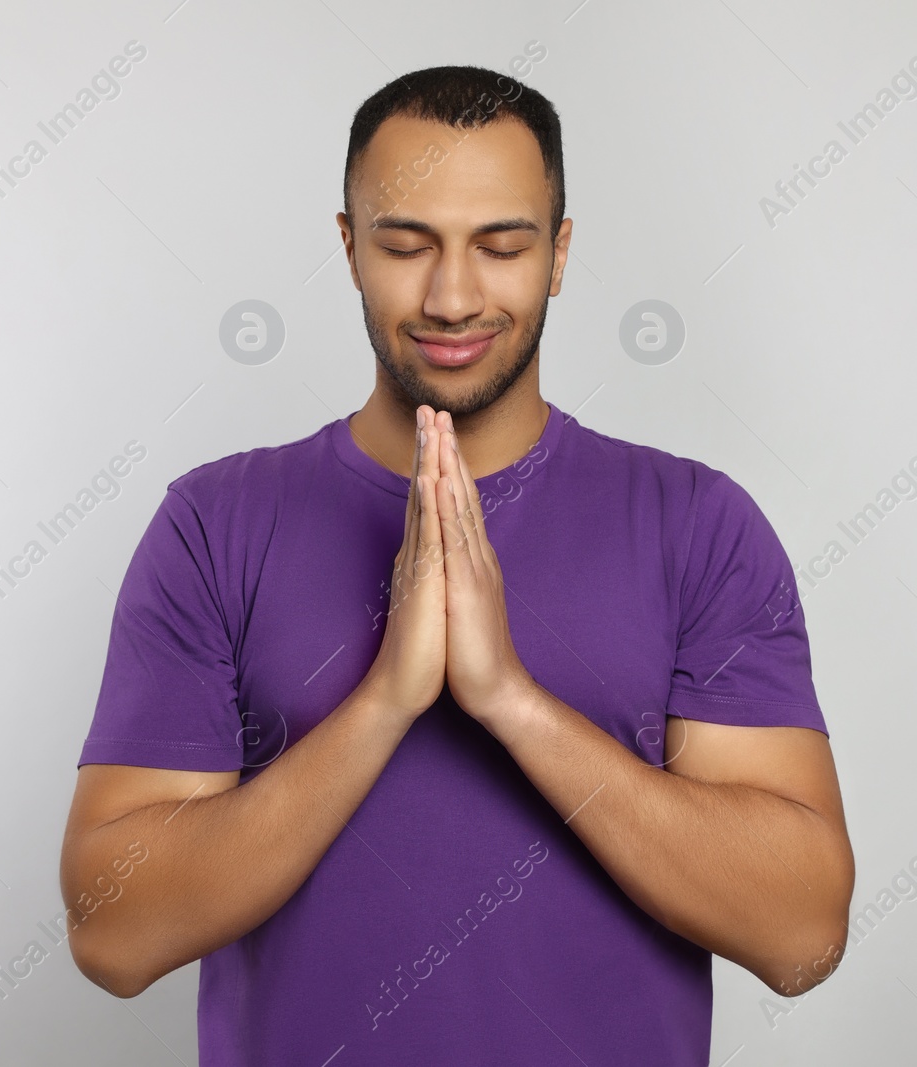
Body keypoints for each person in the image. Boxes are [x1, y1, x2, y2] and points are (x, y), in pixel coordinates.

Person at [59, 64, 854, 1065]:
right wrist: (386, 699)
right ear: (348, 248)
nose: (452, 294)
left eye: (501, 244)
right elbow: (114, 934)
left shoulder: (696, 525)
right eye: (405, 243)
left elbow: (799, 936)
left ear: (559, 253)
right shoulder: (214, 525)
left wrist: (509, 701)